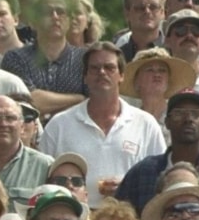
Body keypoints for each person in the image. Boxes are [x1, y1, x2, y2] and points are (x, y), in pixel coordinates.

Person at [39, 42, 166, 207]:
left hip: (130, 219)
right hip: (75, 218)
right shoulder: (59, 125)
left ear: (121, 75)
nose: (102, 72)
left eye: (109, 67)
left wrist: (127, 186)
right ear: (84, 77)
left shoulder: (146, 124)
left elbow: (161, 179)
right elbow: (43, 181)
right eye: (94, 68)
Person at [0, 0, 86, 117]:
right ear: (34, 21)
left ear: (69, 20)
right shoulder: (15, 57)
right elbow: (29, 101)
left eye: (61, 12)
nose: (55, 17)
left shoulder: (85, 59)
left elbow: (94, 101)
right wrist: (79, 99)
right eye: (47, 12)